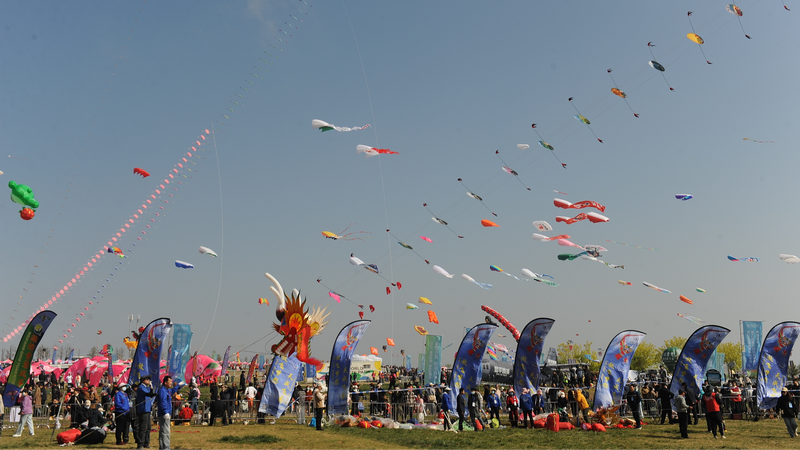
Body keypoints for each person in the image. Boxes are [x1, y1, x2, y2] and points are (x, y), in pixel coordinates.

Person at [156, 375, 183, 450]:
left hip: (166, 413)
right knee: (166, 431)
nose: (171, 383)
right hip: (164, 413)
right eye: (170, 381)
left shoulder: (167, 390)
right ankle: (166, 447)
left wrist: (178, 385)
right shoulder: (163, 391)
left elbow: (172, 390)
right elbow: (162, 402)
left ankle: (162, 446)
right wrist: (165, 412)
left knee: (163, 431)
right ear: (165, 382)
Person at [135, 375, 157, 450]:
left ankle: (146, 443)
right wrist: (156, 394)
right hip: (143, 410)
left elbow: (150, 395)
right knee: (143, 428)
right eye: (147, 379)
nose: (149, 381)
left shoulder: (146, 387)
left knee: (148, 428)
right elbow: (148, 394)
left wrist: (151, 388)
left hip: (147, 409)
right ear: (143, 380)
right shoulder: (141, 387)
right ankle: (140, 444)